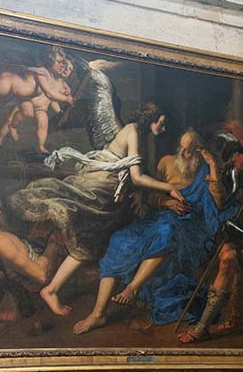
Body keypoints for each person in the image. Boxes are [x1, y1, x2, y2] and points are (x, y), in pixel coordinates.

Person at [6, 103, 185, 317]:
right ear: (152, 118)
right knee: (86, 240)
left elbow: (133, 177)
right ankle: (51, 289)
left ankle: (52, 289)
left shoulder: (139, 134)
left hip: (106, 194)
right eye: (162, 123)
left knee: (87, 242)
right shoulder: (133, 130)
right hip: (99, 188)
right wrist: (169, 187)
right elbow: (136, 177)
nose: (163, 129)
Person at [72, 129, 234, 335]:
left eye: (189, 151)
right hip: (161, 216)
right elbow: (149, 197)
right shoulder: (166, 163)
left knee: (166, 232)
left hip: (191, 226)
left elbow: (218, 204)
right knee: (119, 239)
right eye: (181, 149)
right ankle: (97, 314)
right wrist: (166, 202)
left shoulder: (205, 170)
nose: (183, 154)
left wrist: (212, 165)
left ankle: (133, 287)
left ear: (199, 151)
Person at [177, 122, 243, 345]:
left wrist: (230, 229)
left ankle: (203, 328)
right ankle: (229, 319)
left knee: (227, 256)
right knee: (227, 252)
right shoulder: (238, 193)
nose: (236, 195)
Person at [0, 46, 75, 153]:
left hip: (23, 97)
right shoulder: (41, 72)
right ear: (50, 61)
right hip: (10, 84)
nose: (62, 65)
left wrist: (66, 89)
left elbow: (54, 90)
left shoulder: (51, 76)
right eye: (59, 62)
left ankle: (13, 126)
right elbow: (49, 93)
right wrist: (66, 98)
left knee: (28, 113)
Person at [0, 192, 62, 285]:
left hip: (29, 255)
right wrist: (54, 243)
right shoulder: (0, 242)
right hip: (39, 267)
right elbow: (41, 276)